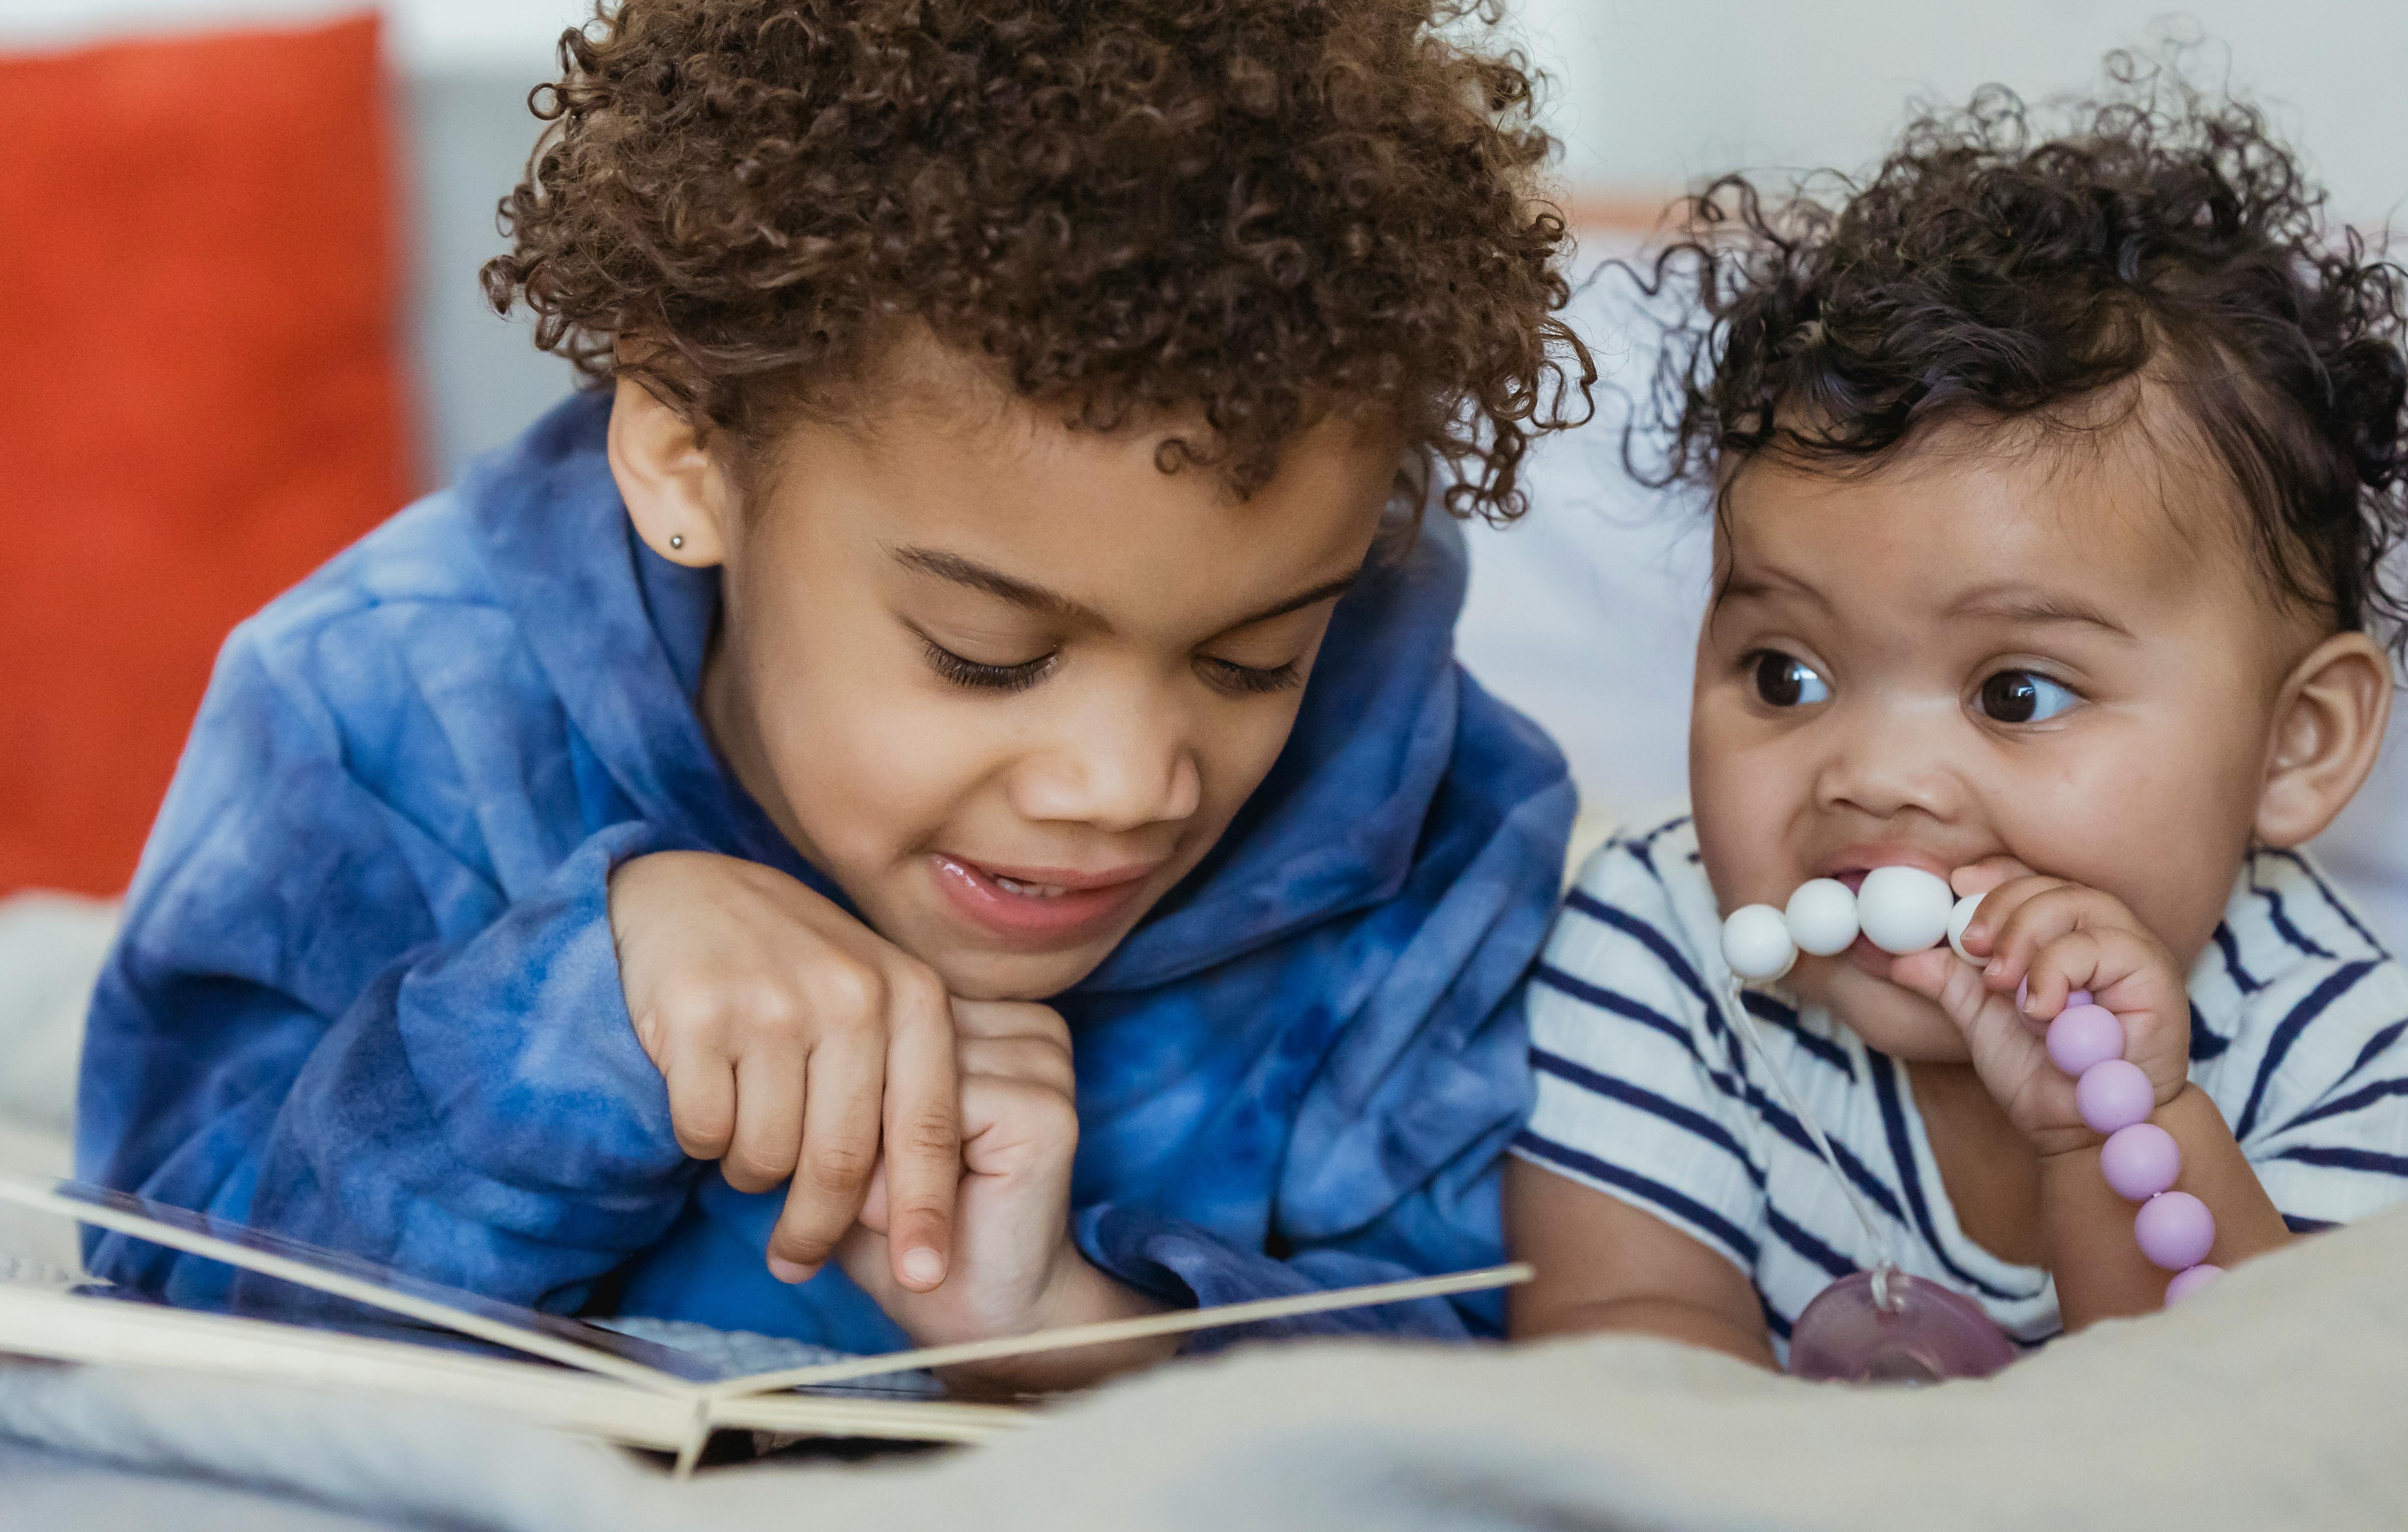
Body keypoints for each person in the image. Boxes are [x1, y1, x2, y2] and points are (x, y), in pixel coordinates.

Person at [77, 0, 1586, 1393]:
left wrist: (1071, 1335)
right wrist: (570, 1019)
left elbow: (1511, 1374)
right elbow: (160, 1311)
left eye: (1255, 658)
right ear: (685, 461)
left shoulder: (1429, 814)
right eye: (986, 653)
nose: (1130, 784)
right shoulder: (383, 712)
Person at [1505, 61, 2408, 1365]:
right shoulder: (1662, 947)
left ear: (2296, 745)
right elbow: (1621, 1351)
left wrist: (2108, 1125)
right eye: (1785, 675)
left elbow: (2289, 1445)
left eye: (2017, 694)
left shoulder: (2349, 1056)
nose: (1874, 777)